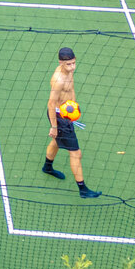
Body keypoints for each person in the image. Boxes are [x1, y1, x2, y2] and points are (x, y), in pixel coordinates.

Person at [42, 47, 100, 198]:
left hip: (67, 115)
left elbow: (71, 90)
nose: (72, 67)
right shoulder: (59, 80)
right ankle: (83, 189)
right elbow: (51, 104)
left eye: (74, 63)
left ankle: (47, 167)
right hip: (59, 118)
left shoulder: (69, 71)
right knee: (76, 153)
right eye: (68, 64)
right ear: (61, 63)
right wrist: (54, 126)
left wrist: (74, 107)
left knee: (56, 141)